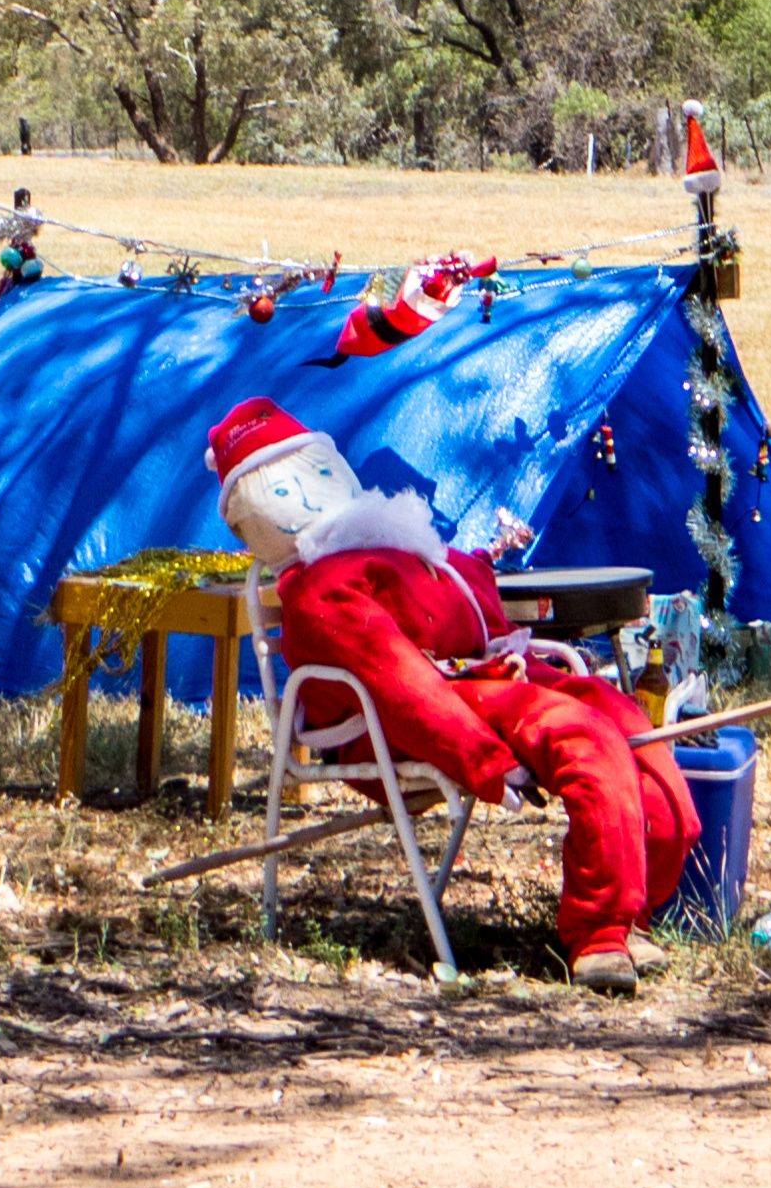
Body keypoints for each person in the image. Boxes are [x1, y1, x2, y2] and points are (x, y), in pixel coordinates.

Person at [204, 399, 694, 989]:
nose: (308, 497)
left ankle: (632, 909)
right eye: (284, 492)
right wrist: (482, 759)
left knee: (629, 722)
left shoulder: (396, 547)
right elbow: (395, 679)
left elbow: (471, 605)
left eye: (318, 475)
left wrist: (480, 583)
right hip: (410, 716)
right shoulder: (324, 588)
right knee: (584, 738)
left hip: (487, 677)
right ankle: (599, 932)